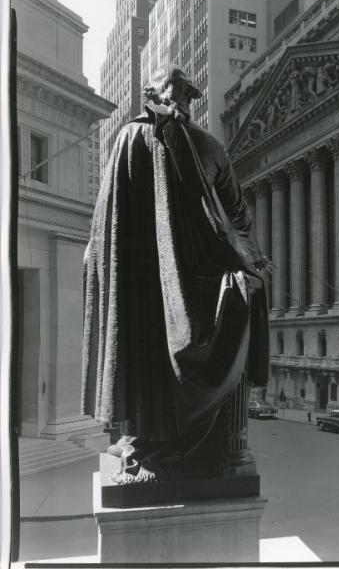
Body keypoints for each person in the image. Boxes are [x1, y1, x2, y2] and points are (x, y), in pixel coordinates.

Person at [81, 64, 271, 482]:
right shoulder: (136, 139)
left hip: (175, 278)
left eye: (183, 94)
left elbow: (238, 215)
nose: (178, 101)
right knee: (230, 298)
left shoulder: (197, 146)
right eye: (174, 93)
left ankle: (188, 441)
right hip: (149, 279)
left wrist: (251, 261)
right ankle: (154, 438)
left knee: (240, 296)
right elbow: (109, 219)